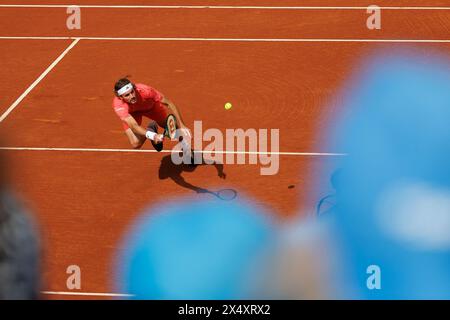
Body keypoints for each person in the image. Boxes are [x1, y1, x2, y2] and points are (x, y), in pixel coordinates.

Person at [112, 78, 192, 152]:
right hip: (132, 113)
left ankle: (187, 150)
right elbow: (134, 126)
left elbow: (169, 103)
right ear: (120, 97)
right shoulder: (118, 105)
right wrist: (153, 136)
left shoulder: (146, 91)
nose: (132, 96)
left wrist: (182, 125)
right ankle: (151, 130)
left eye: (132, 92)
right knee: (136, 144)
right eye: (127, 95)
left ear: (134, 88)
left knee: (173, 128)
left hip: (151, 108)